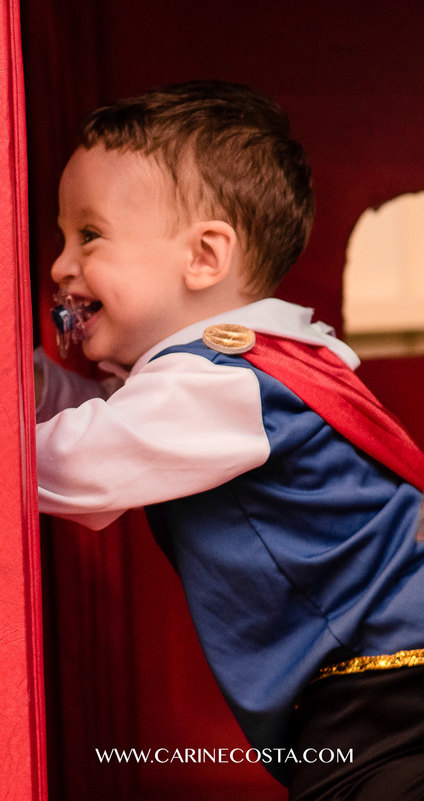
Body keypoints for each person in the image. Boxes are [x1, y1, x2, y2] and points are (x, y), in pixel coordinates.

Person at [35, 80, 424, 799]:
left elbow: (71, 466)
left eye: (88, 235)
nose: (61, 265)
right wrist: (29, 382)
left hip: (386, 692)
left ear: (205, 258)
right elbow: (110, 423)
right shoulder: (254, 362)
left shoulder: (217, 384)